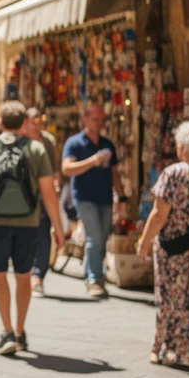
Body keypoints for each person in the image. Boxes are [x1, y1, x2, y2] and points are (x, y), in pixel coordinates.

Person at [0, 101, 65, 355]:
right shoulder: (36, 149)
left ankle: (5, 330)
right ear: (23, 124)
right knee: (23, 277)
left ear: (0, 123)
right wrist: (58, 227)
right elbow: (49, 193)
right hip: (29, 223)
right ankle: (20, 331)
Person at [135, 121, 189, 369]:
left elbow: (159, 215)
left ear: (184, 146)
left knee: (171, 298)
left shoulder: (173, 173)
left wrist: (144, 242)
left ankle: (166, 347)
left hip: (175, 245)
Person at [62, 105, 124, 298]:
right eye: (95, 119)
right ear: (85, 119)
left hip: (105, 198)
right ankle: (94, 278)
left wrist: (122, 199)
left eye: (101, 119)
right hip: (84, 197)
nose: (99, 123)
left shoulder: (107, 144)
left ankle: (93, 275)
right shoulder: (74, 143)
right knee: (94, 237)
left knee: (102, 239)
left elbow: (114, 174)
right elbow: (67, 169)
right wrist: (92, 161)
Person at [23, 108, 62, 297]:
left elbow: (55, 169)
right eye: (34, 121)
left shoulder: (48, 142)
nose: (38, 126)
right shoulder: (20, 141)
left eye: (41, 122)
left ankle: (38, 276)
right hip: (24, 197)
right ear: (26, 123)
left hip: (44, 196)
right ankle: (27, 270)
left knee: (44, 232)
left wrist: (56, 184)